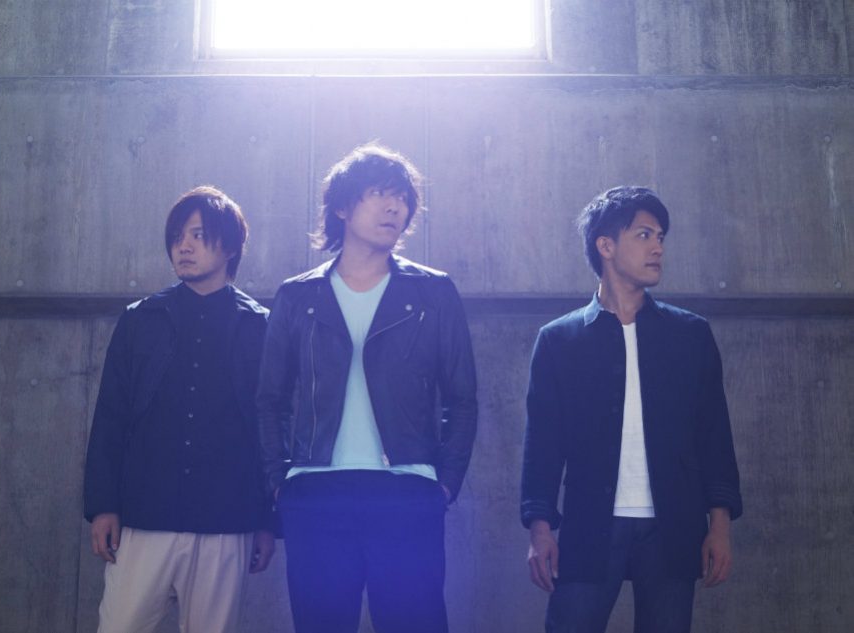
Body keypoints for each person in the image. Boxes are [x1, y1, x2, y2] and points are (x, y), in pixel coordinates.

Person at [256, 143, 477, 633]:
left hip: (408, 489)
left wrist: (444, 483)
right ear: (342, 207)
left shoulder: (433, 292)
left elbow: (462, 399)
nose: (394, 207)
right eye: (379, 194)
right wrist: (280, 481)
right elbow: (270, 401)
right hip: (316, 493)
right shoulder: (298, 295)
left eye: (402, 198)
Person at [521, 186, 743, 633]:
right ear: (605, 245)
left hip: (672, 527)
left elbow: (714, 436)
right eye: (644, 235)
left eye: (660, 236)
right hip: (590, 524)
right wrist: (539, 528)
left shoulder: (690, 335)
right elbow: (543, 443)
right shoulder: (560, 340)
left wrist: (719, 525)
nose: (658, 247)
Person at [83, 186, 275, 633]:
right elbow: (111, 415)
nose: (183, 246)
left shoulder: (259, 327)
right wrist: (103, 505)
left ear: (230, 246)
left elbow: (270, 429)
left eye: (198, 235)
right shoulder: (140, 320)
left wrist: (267, 521)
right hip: (145, 515)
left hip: (227, 519)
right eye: (177, 237)